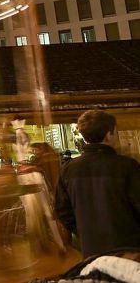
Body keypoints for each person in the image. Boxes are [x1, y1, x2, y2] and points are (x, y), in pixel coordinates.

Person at [55, 109, 140, 257]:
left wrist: (84, 231)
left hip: (91, 250)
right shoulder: (127, 166)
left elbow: (62, 211)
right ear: (108, 135)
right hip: (129, 249)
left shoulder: (68, 169)